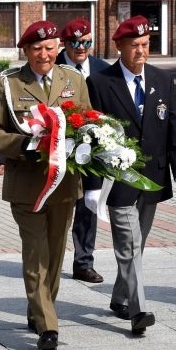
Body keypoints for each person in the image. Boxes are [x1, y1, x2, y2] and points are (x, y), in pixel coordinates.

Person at [0, 20, 91, 350]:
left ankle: (39, 308)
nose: (44, 54)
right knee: (37, 253)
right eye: (36, 49)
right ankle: (48, 326)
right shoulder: (9, 83)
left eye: (50, 47)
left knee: (56, 255)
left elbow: (88, 122)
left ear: (58, 48)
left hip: (65, 184)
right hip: (28, 185)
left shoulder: (73, 80)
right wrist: (28, 144)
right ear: (25, 51)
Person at [86, 15, 176, 335]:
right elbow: (91, 135)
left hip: (153, 178)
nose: (141, 52)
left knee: (137, 244)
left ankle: (119, 297)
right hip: (117, 180)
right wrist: (91, 186)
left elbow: (175, 128)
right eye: (134, 46)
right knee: (129, 244)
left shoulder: (162, 80)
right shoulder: (101, 83)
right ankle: (139, 309)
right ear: (119, 46)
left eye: (145, 45)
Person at [54, 17, 111, 285]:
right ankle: (51, 257)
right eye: (76, 42)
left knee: (89, 203)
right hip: (60, 150)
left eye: (87, 42)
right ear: (65, 43)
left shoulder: (102, 69)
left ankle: (83, 261)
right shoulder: (53, 69)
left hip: (93, 150)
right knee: (59, 207)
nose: (81, 47)